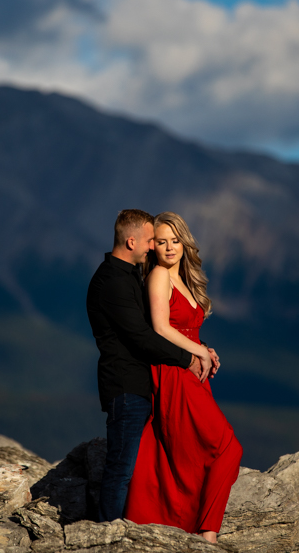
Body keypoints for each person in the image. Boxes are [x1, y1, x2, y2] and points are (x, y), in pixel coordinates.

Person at [87, 209, 214, 522]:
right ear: (131, 241)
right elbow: (142, 337)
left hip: (142, 386)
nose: (153, 248)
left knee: (140, 467)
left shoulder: (128, 274)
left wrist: (200, 350)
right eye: (149, 241)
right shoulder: (112, 282)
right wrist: (188, 359)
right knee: (121, 469)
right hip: (126, 388)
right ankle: (106, 534)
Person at [124, 211, 242, 544]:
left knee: (197, 453)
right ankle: (208, 535)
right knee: (227, 446)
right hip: (174, 373)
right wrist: (199, 352)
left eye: (175, 240)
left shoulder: (184, 278)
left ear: (184, 242)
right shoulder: (159, 276)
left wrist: (204, 346)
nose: (169, 247)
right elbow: (161, 328)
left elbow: (185, 327)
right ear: (153, 247)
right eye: (161, 242)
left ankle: (190, 526)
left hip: (193, 372)